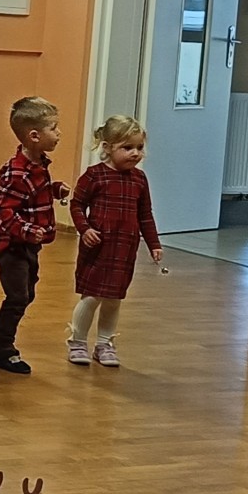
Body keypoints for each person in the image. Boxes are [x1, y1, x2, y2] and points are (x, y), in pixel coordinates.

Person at [67, 116, 163, 368]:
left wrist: (154, 244)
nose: (135, 153)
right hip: (98, 248)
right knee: (91, 296)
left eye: (139, 147)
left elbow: (145, 215)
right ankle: (77, 341)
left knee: (113, 298)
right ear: (107, 147)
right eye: (127, 147)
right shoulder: (94, 175)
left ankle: (104, 344)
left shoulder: (139, 179)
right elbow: (77, 205)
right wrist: (85, 229)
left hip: (124, 248)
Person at [0, 96, 69, 375]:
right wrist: (28, 230)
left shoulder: (39, 165)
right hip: (12, 247)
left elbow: (29, 197)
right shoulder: (16, 172)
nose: (59, 134)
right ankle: (3, 349)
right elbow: (2, 212)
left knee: (27, 293)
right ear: (34, 136)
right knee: (18, 296)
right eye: (53, 128)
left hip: (29, 245)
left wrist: (54, 190)